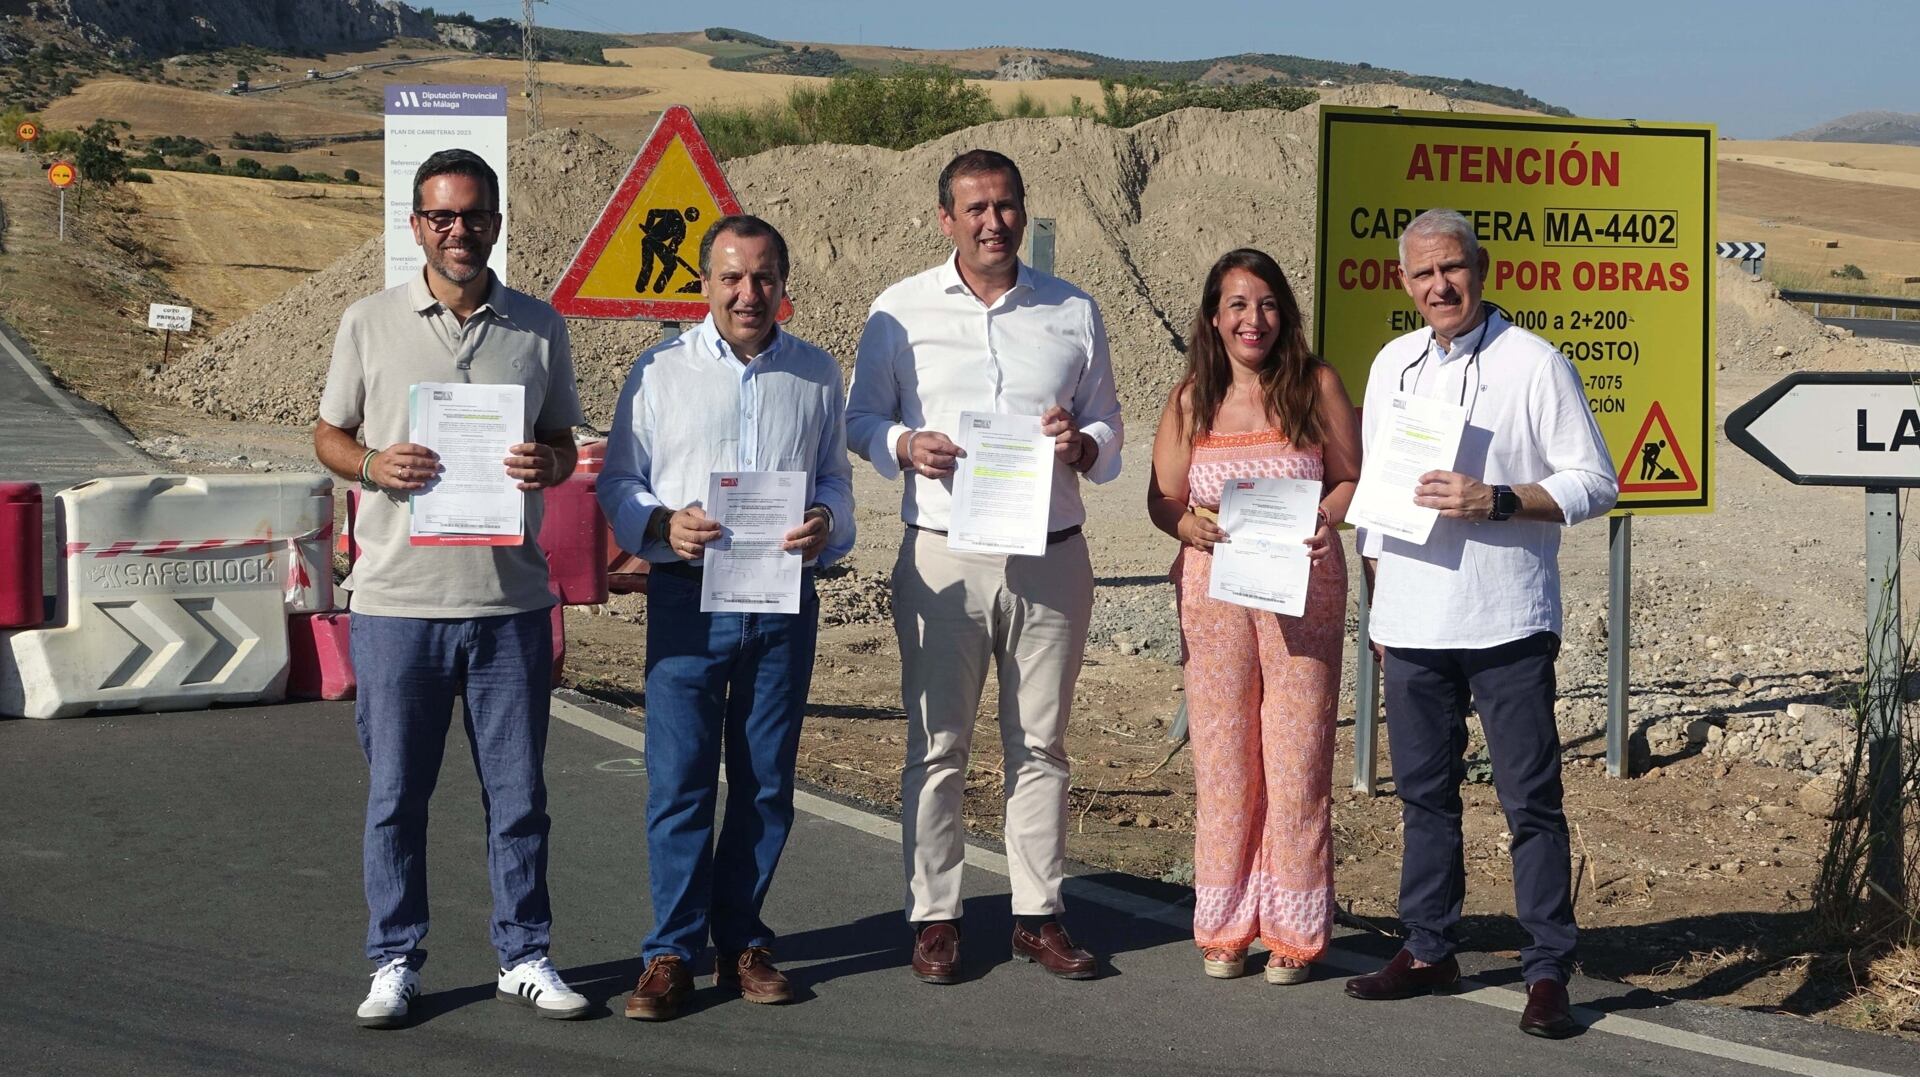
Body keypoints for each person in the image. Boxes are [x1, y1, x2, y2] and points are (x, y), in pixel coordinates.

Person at [314, 148, 589, 1028]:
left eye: (473, 215)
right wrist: (371, 464)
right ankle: (395, 958)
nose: (457, 231)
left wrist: (542, 462)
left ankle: (525, 952)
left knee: (519, 799)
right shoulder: (368, 321)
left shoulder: (540, 327)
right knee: (397, 795)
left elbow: (559, 444)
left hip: (509, 604)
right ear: (415, 227)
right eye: (440, 216)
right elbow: (327, 434)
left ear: (497, 223)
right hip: (397, 602)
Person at [846, 148, 1123, 984]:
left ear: (1022, 211)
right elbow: (860, 418)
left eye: (1005, 206)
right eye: (975, 209)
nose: (993, 222)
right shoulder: (899, 311)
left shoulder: (1074, 310)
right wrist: (903, 444)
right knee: (938, 746)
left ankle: (1038, 916)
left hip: (1050, 559)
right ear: (946, 220)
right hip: (943, 556)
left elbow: (1110, 432)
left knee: (1041, 745)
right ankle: (935, 917)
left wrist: (1081, 443)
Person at [1342, 209, 1617, 1039]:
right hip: (1413, 622)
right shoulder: (1392, 364)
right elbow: (1377, 506)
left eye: (1452, 268)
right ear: (1404, 282)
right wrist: (1380, 606)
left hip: (1504, 621)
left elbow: (1595, 482)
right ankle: (1429, 947)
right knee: (1425, 796)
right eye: (1423, 274)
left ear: (1482, 267)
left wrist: (1496, 500)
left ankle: (1547, 970)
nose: (1440, 286)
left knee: (1529, 799)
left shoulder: (1535, 365)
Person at [599, 215, 855, 1021]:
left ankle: (742, 941)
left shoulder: (816, 374)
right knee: (677, 782)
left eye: (764, 277)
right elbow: (618, 481)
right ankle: (671, 952)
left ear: (785, 285)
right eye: (732, 277)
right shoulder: (659, 371)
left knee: (766, 782)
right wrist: (660, 524)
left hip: (782, 604)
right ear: (705, 284)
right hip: (686, 601)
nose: (749, 293)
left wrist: (825, 523)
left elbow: (838, 484)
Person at [1146, 248, 1360, 985]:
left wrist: (1329, 519)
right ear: (1214, 316)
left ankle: (1295, 931)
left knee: (1297, 761)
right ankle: (1226, 925)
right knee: (1225, 758)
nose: (1253, 320)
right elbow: (1162, 498)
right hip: (1213, 592)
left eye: (1266, 304)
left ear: (1285, 313)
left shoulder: (1316, 383)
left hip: (1303, 586)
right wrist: (1185, 529)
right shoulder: (1189, 399)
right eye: (1237, 305)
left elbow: (1348, 477)